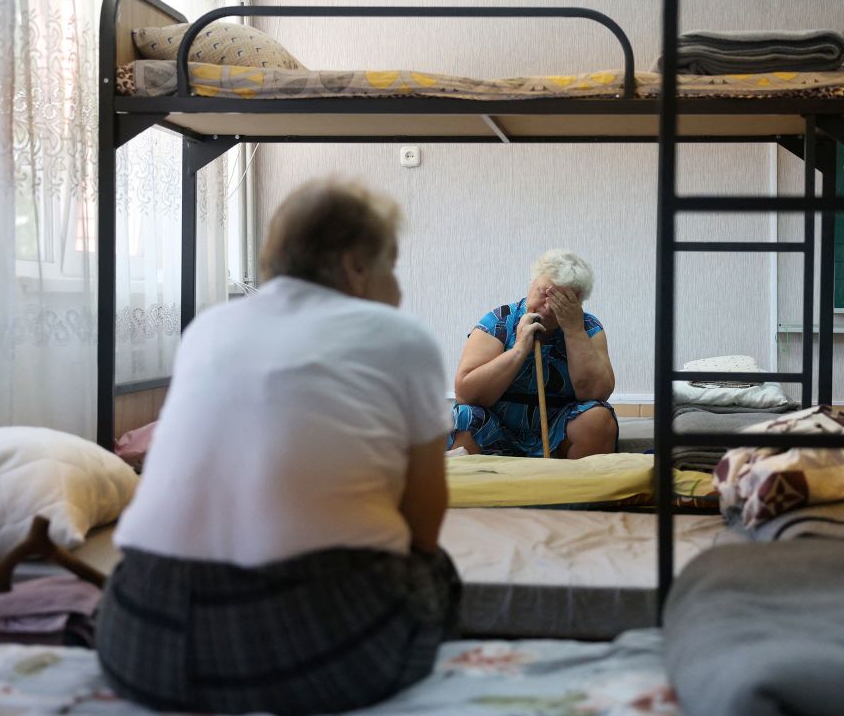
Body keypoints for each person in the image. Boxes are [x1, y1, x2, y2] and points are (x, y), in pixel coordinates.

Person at [96, 178, 459, 715]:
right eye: (392, 265)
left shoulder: (209, 328)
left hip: (139, 639)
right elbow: (425, 526)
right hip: (308, 649)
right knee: (438, 574)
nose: (397, 287)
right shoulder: (400, 336)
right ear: (356, 266)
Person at [450, 249, 617, 458]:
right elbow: (466, 393)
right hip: (497, 429)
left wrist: (574, 331)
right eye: (543, 293)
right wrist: (519, 349)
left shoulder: (589, 328)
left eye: (560, 301)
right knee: (465, 417)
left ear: (578, 301)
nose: (547, 308)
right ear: (531, 284)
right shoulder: (499, 322)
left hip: (558, 431)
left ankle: (575, 489)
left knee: (598, 418)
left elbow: (597, 393)